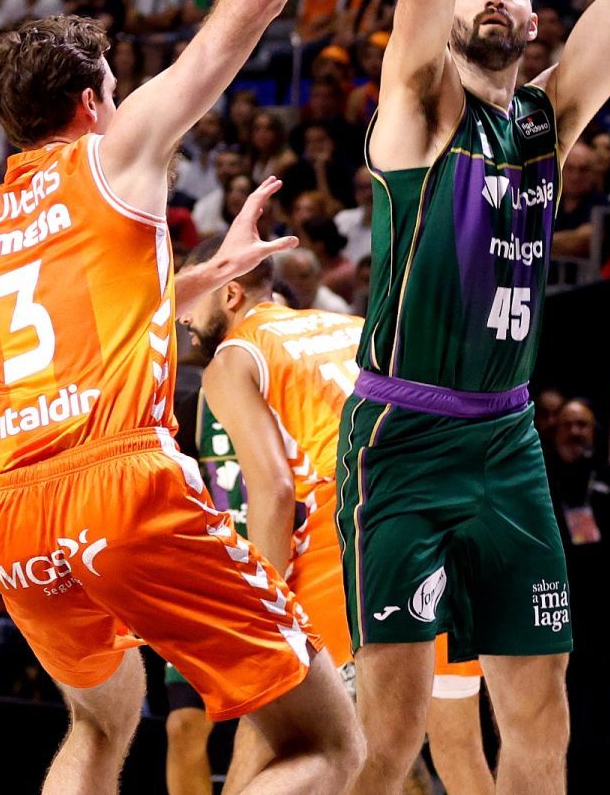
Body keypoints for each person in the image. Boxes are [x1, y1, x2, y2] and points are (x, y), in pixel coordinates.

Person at [0, 0, 387, 795]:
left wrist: (195, 281)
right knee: (328, 741)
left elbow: (59, 334)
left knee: (103, 724)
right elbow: (249, 2)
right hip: (121, 487)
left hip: (13, 510)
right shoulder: (117, 148)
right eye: (116, 77)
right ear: (95, 97)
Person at [339, 0, 610, 795]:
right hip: (403, 435)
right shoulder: (415, 110)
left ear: (531, 21)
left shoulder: (547, 119)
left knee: (541, 718)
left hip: (509, 440)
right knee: (385, 737)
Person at [178, 241, 492, 795]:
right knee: (458, 747)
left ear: (229, 293)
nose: (181, 314)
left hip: (359, 521)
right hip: (454, 511)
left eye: (191, 296)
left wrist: (265, 604)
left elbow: (273, 491)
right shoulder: (350, 324)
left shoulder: (235, 356)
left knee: (272, 715)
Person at [545, 399, 610, 752]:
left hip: (602, 605)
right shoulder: (539, 475)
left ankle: (602, 763)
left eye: (583, 425)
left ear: (594, 431)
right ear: (554, 428)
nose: (575, 432)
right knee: (557, 687)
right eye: (569, 425)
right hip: (551, 603)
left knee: (604, 690)